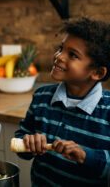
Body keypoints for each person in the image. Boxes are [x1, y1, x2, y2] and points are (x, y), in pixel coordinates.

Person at [15, 17, 110, 186]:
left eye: (72, 54)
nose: (59, 56)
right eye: (61, 48)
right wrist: (27, 142)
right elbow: (21, 139)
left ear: (97, 72)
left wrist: (86, 156)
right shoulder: (41, 97)